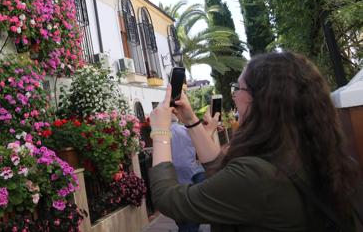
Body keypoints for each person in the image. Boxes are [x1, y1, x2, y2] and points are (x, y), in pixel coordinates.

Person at [148, 52, 361, 232]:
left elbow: (169, 199)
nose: (234, 96)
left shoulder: (258, 177)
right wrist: (190, 120)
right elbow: (217, 168)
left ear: (262, 99)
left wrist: (160, 131)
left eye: (239, 89)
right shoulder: (304, 151)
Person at [169, 113, 218, 232]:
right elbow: (205, 146)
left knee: (181, 211)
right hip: (193, 172)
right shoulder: (185, 130)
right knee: (194, 207)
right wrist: (212, 130)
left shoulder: (161, 136)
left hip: (175, 177)